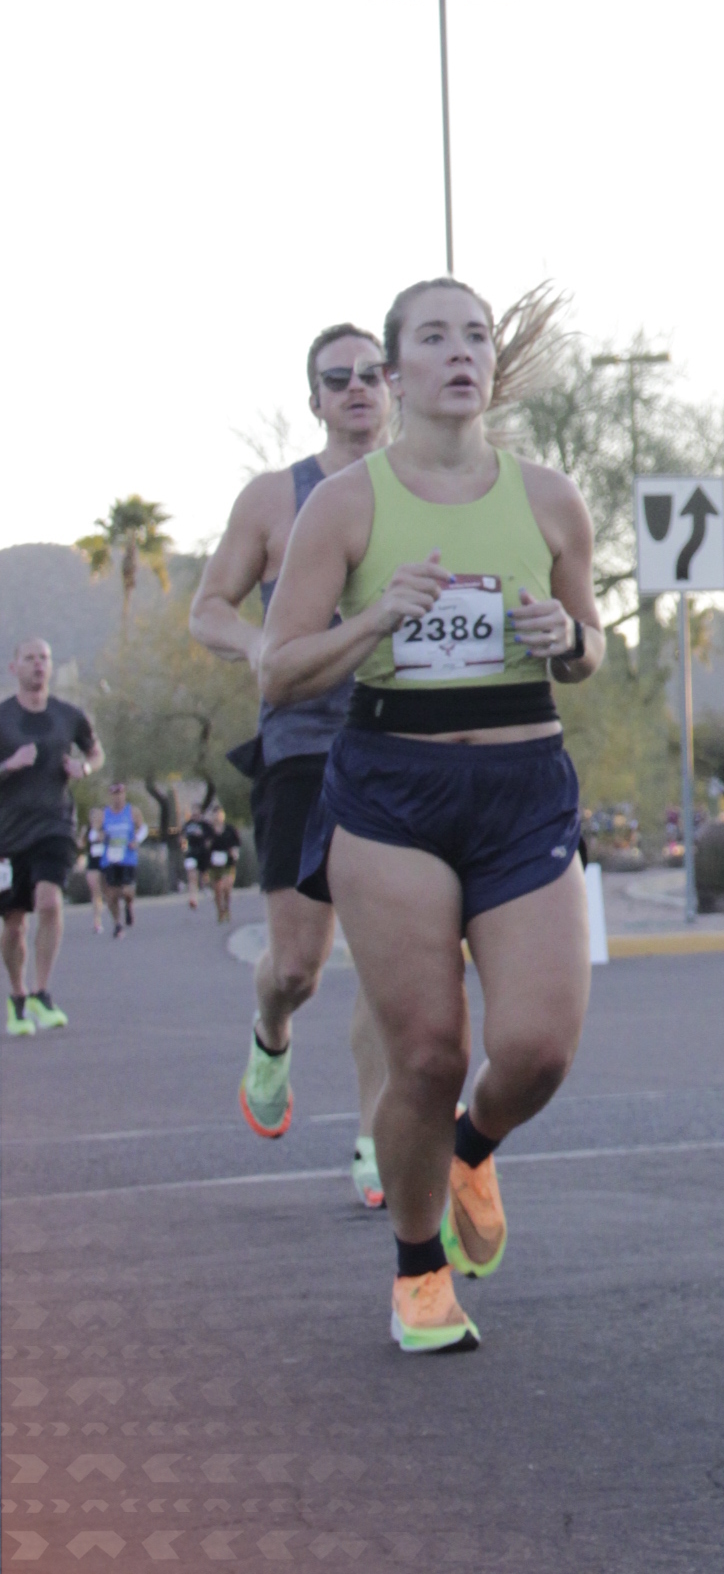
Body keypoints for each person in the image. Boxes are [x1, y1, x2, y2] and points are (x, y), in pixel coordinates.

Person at [259, 277, 603, 1356]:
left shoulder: (550, 498)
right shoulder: (344, 504)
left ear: (492, 364)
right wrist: (374, 620)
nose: (461, 352)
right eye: (435, 337)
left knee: (537, 1049)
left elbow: (592, 646)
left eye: (477, 336)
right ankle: (419, 1271)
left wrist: (568, 639)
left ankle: (472, 1147)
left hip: (523, 786)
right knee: (425, 1053)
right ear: (395, 372)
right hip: (392, 791)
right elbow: (278, 670)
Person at [190, 325, 396, 1202]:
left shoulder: (427, 485)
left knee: (391, 965)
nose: (357, 388)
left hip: (398, 740)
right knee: (297, 969)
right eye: (337, 378)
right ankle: (270, 1032)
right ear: (315, 400)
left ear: (394, 387)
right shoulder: (277, 497)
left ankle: (376, 1141)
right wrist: (260, 647)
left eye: (372, 373)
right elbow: (208, 606)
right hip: (304, 742)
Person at [1, 640, 99, 1032]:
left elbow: (96, 752)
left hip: (55, 825)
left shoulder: (68, 715)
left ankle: (41, 993)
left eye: (44, 658)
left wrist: (84, 768)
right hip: (8, 834)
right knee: (13, 924)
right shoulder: (3, 717)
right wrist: (9, 764)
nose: (38, 665)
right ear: (14, 668)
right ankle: (17, 996)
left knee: (49, 901)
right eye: (30, 658)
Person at [96, 785, 144, 932]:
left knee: (127, 891)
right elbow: (96, 832)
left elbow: (143, 828)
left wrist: (136, 840)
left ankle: (129, 905)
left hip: (127, 857)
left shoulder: (132, 811)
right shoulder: (104, 814)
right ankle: (117, 923)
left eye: (120, 794)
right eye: (114, 794)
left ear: (124, 794)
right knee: (112, 895)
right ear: (110, 796)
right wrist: (100, 836)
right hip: (110, 858)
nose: (117, 797)